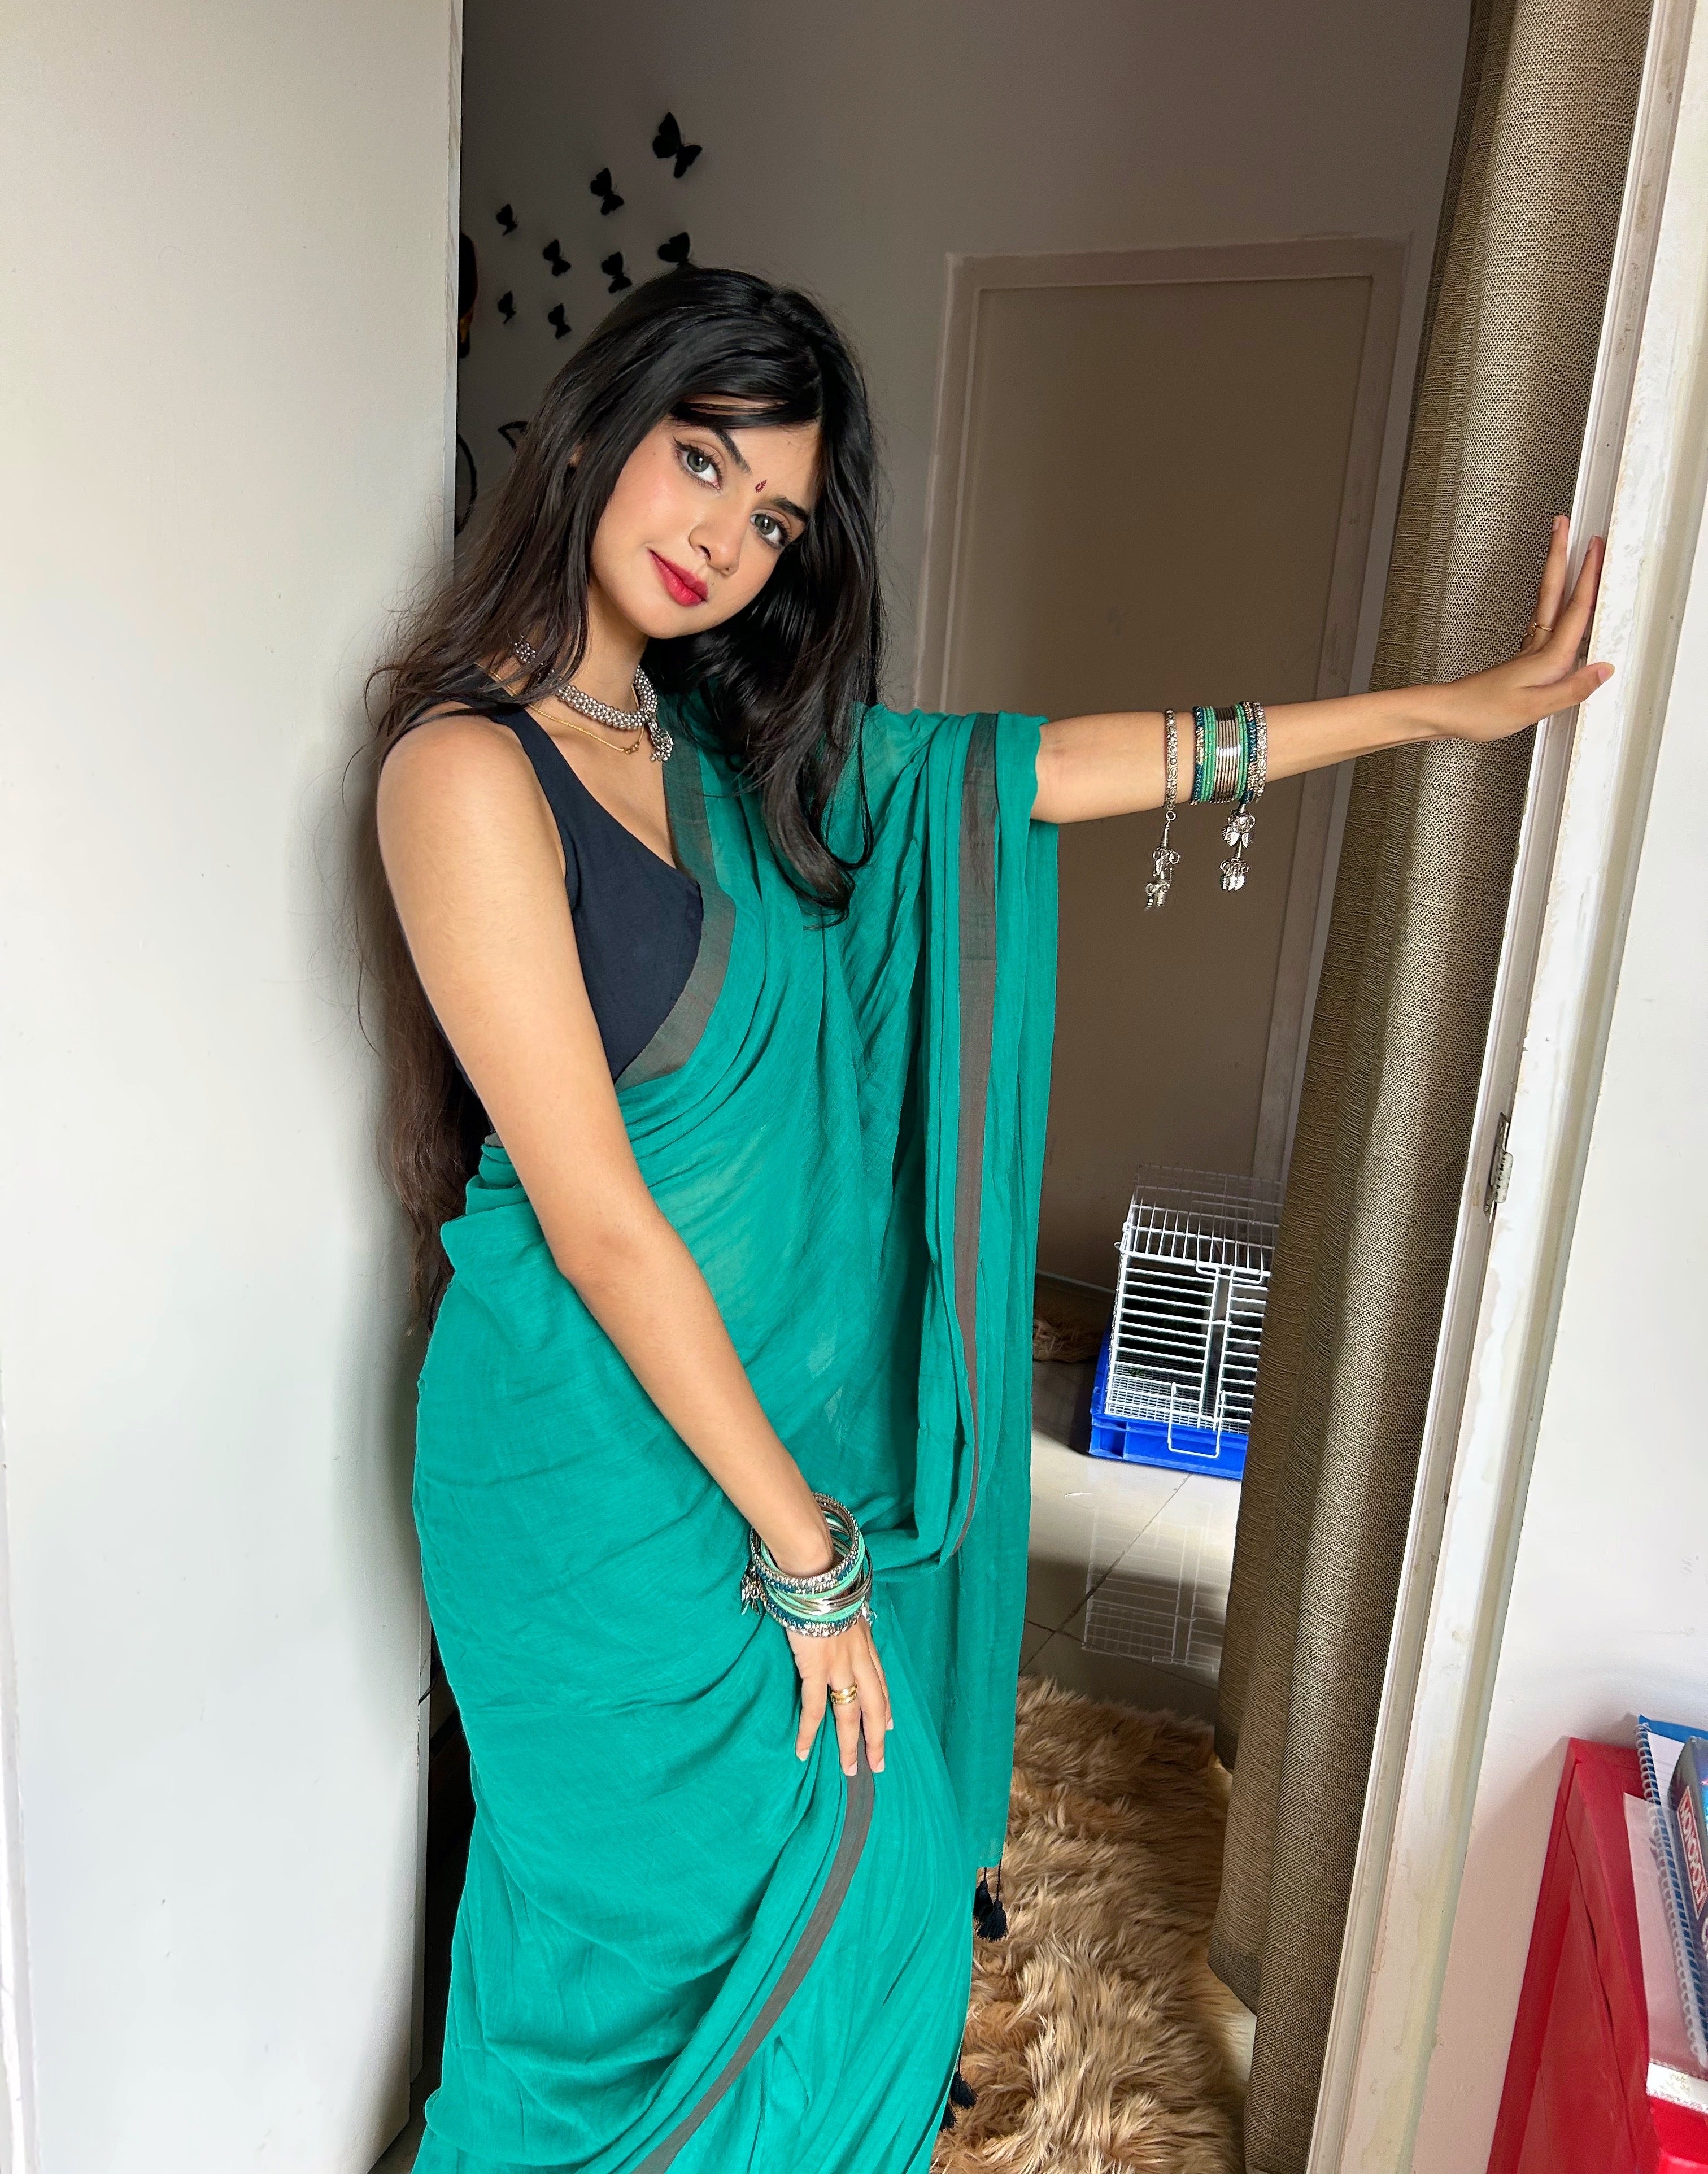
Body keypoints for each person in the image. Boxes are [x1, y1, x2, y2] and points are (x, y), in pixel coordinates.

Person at [367, 264, 1605, 2173]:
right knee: (646, 1950)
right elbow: (603, 1220)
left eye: (777, 518)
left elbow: (1048, 768)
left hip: (730, 1442)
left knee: (867, 1873)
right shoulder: (464, 771)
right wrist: (810, 1554)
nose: (726, 537)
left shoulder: (730, 763)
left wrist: (1437, 715)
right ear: (602, 426)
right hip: (581, 1472)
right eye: (703, 461)